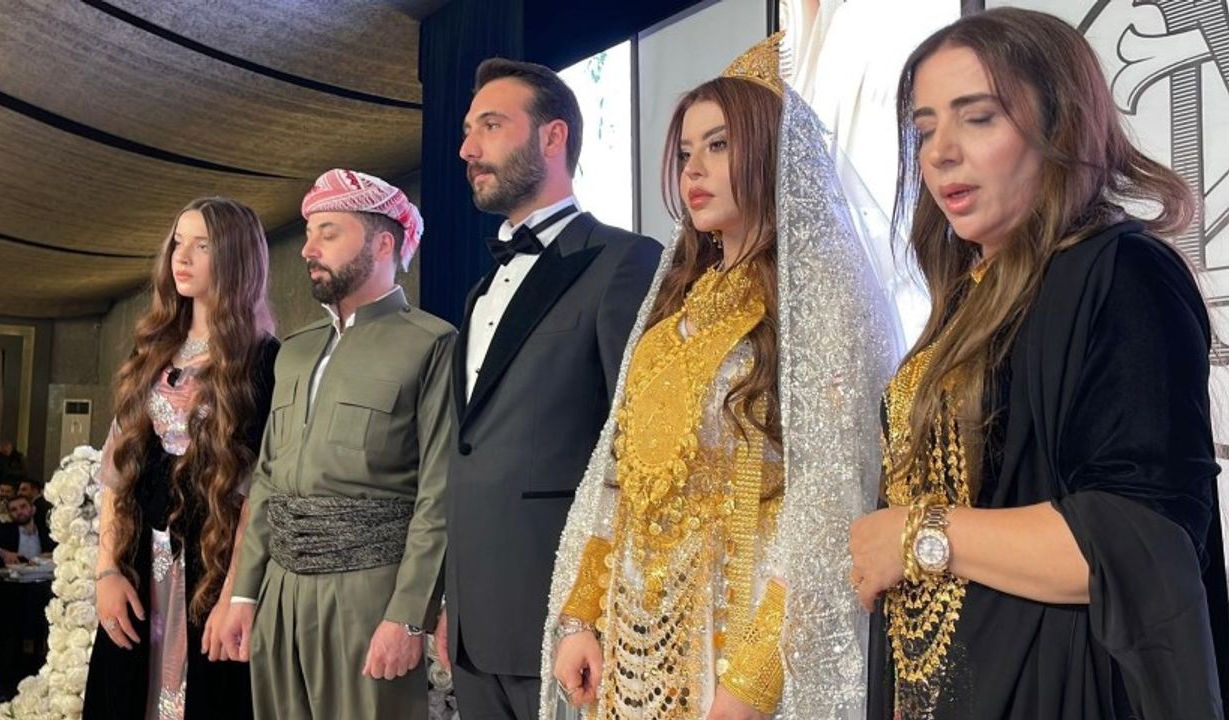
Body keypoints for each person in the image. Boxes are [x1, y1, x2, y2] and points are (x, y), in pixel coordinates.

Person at [848, 8, 1228, 718]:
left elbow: (1139, 539)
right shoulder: (968, 297)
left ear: (1060, 125)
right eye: (924, 130)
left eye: (978, 118)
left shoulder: (1122, 274)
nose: (940, 153)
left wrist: (916, 533)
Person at [544, 34, 896, 720]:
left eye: (719, 145)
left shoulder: (816, 304)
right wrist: (580, 617)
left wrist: (754, 679)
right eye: (684, 153)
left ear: (768, 153)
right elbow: (620, 476)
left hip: (737, 641)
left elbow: (830, 500)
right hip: (632, 642)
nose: (693, 170)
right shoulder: (676, 308)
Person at [439, 57, 662, 719]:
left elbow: (639, 447)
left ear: (552, 137)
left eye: (490, 126)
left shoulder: (625, 261)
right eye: (467, 131)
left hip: (564, 619)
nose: (467, 149)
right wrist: (454, 600)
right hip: (474, 624)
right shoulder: (480, 291)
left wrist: (591, 613)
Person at [220, 169, 454, 720]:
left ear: (383, 244)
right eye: (309, 233)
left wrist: (409, 615)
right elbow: (269, 479)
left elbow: (440, 493)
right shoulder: (295, 350)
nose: (308, 249)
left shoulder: (431, 344)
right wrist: (245, 594)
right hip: (279, 591)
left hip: (369, 596)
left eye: (328, 232)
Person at [83, 197, 279, 720]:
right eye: (177, 243)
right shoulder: (150, 350)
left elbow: (258, 495)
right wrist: (106, 571)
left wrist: (235, 595)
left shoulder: (264, 362)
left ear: (236, 257)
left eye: (203, 245)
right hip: (137, 566)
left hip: (212, 571)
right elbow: (116, 474)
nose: (182, 257)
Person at [0, 496, 55, 568]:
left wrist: (51, 555)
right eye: (13, 510)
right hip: (13, 573)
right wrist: (2, 553)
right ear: (9, 515)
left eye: (23, 507)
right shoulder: (3, 530)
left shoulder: (48, 531)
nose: (19, 512)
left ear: (33, 509)